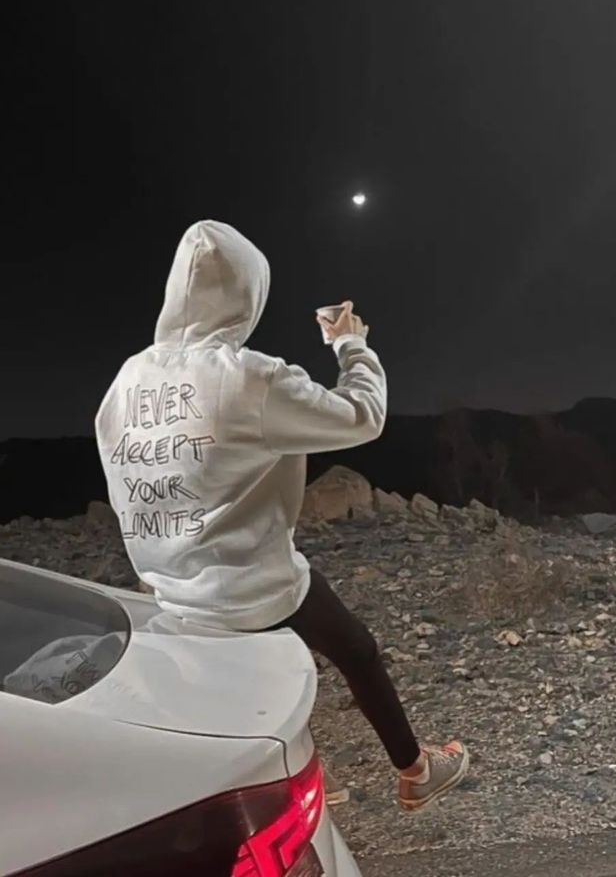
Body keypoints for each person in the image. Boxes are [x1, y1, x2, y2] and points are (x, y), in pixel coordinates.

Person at [95, 220, 469, 811]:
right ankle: (415, 770)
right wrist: (350, 344)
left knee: (237, 713)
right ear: (249, 293)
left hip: (172, 593)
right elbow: (362, 415)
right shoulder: (249, 377)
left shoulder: (127, 378)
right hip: (254, 589)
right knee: (356, 651)